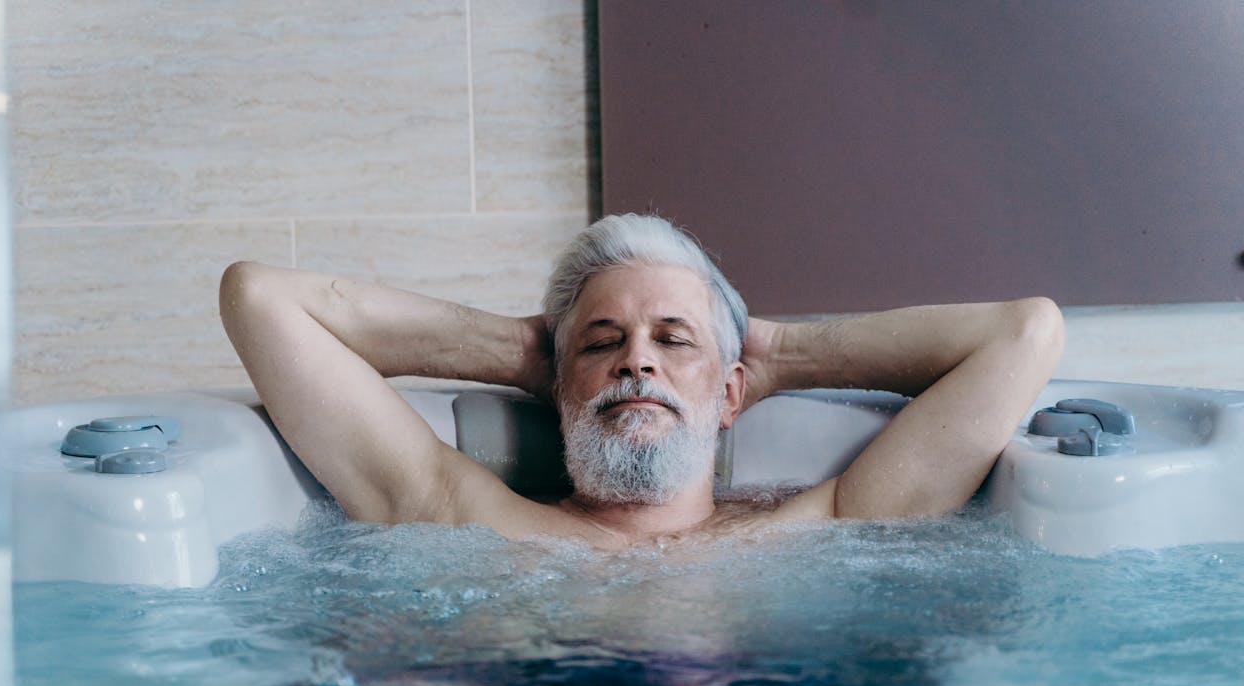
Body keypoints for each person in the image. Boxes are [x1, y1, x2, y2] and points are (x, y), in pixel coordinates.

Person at [219, 213, 1064, 548]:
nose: (638, 361)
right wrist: (521, 349)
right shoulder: (465, 513)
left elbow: (1024, 332)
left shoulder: (822, 524)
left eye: (672, 340)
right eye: (603, 342)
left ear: (731, 393)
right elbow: (260, 299)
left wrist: (774, 355)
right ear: (559, 384)